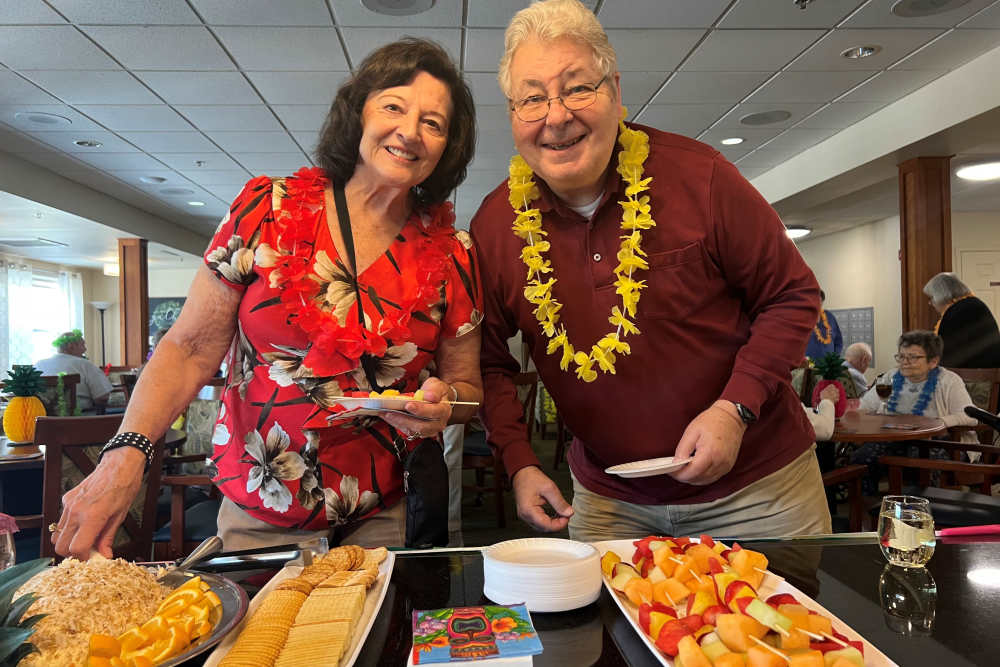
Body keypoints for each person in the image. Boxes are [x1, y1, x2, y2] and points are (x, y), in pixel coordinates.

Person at [50, 38, 483, 559]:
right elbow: (188, 347)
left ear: (447, 147)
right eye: (394, 106)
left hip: (387, 518)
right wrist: (126, 454)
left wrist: (446, 406)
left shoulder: (453, 253)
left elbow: (467, 388)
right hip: (260, 513)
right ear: (359, 113)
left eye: (433, 123)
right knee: (255, 642)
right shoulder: (266, 211)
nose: (410, 131)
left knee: (377, 640)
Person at [471, 0, 829, 542]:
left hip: (758, 492)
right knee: (604, 630)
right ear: (513, 116)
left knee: (779, 627)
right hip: (608, 501)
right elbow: (490, 363)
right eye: (532, 98)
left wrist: (735, 410)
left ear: (615, 91)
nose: (557, 115)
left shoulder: (700, 177)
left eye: (577, 87)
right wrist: (520, 461)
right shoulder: (496, 225)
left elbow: (792, 294)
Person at [852, 331, 978, 491]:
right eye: (901, 356)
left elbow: (970, 416)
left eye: (912, 357)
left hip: (942, 443)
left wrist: (939, 423)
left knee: (920, 461)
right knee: (862, 457)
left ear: (933, 361)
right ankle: (869, 510)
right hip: (895, 440)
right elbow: (865, 406)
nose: (904, 362)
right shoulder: (891, 377)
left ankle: (924, 510)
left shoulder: (949, 381)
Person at [923, 272, 1000, 368]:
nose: (930, 303)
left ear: (941, 294)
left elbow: (944, 350)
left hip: (974, 375)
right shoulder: (970, 304)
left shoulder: (959, 310)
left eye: (931, 298)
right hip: (984, 370)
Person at [34, 329, 113, 412]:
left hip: (44, 421)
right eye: (82, 345)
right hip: (81, 420)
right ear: (71, 346)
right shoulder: (85, 365)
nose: (85, 349)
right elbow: (102, 397)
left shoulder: (38, 365)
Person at [805, 290, 843, 360]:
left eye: (820, 301)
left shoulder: (829, 316)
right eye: (815, 301)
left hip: (828, 365)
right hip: (809, 365)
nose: (817, 304)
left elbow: (838, 340)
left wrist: (835, 357)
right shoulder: (803, 318)